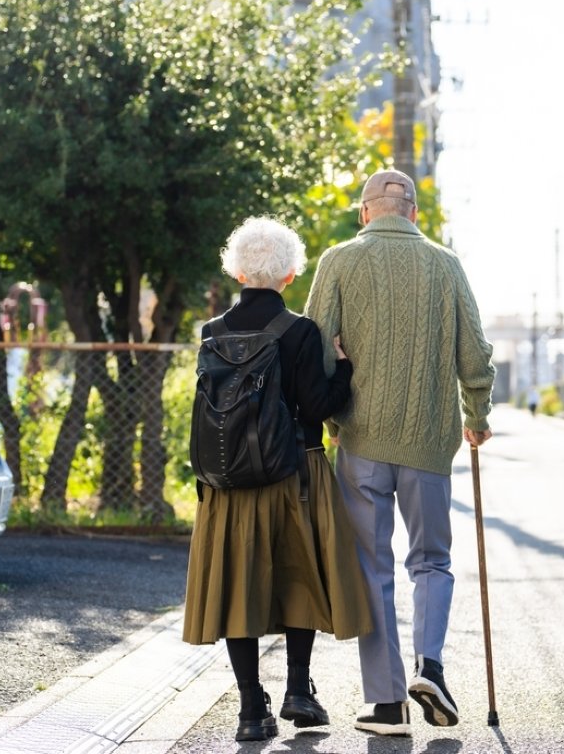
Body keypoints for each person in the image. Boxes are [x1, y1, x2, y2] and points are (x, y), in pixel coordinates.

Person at [305, 169, 495, 737]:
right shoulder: (446, 264)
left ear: (366, 213)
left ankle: (387, 704)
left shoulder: (337, 260)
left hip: (359, 439)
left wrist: (333, 409)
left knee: (371, 565)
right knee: (431, 559)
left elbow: (314, 343)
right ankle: (430, 665)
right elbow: (474, 352)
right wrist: (476, 416)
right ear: (413, 213)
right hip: (429, 442)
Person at [182, 217, 373, 742]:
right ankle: (297, 690)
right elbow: (318, 405)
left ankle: (250, 710)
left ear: (237, 270)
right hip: (296, 473)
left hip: (228, 484)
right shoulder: (300, 331)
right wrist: (347, 370)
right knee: (299, 577)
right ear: (290, 274)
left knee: (238, 586)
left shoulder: (212, 332)